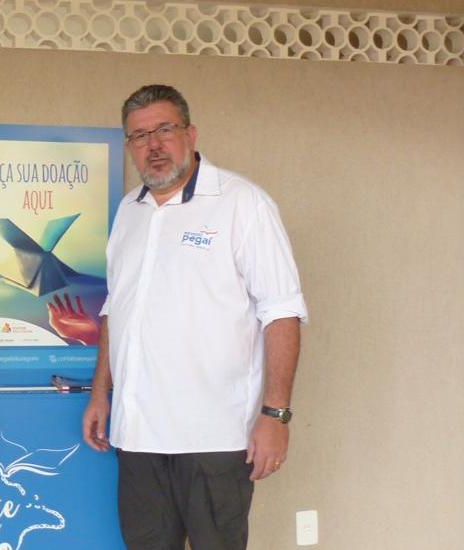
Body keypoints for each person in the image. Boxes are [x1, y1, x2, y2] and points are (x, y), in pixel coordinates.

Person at [82, 84, 307, 550]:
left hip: (214, 438)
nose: (153, 145)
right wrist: (101, 392)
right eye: (139, 135)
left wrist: (276, 415)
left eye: (164, 130)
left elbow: (282, 311)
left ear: (191, 133)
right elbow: (116, 307)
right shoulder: (129, 211)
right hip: (138, 437)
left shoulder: (243, 204)